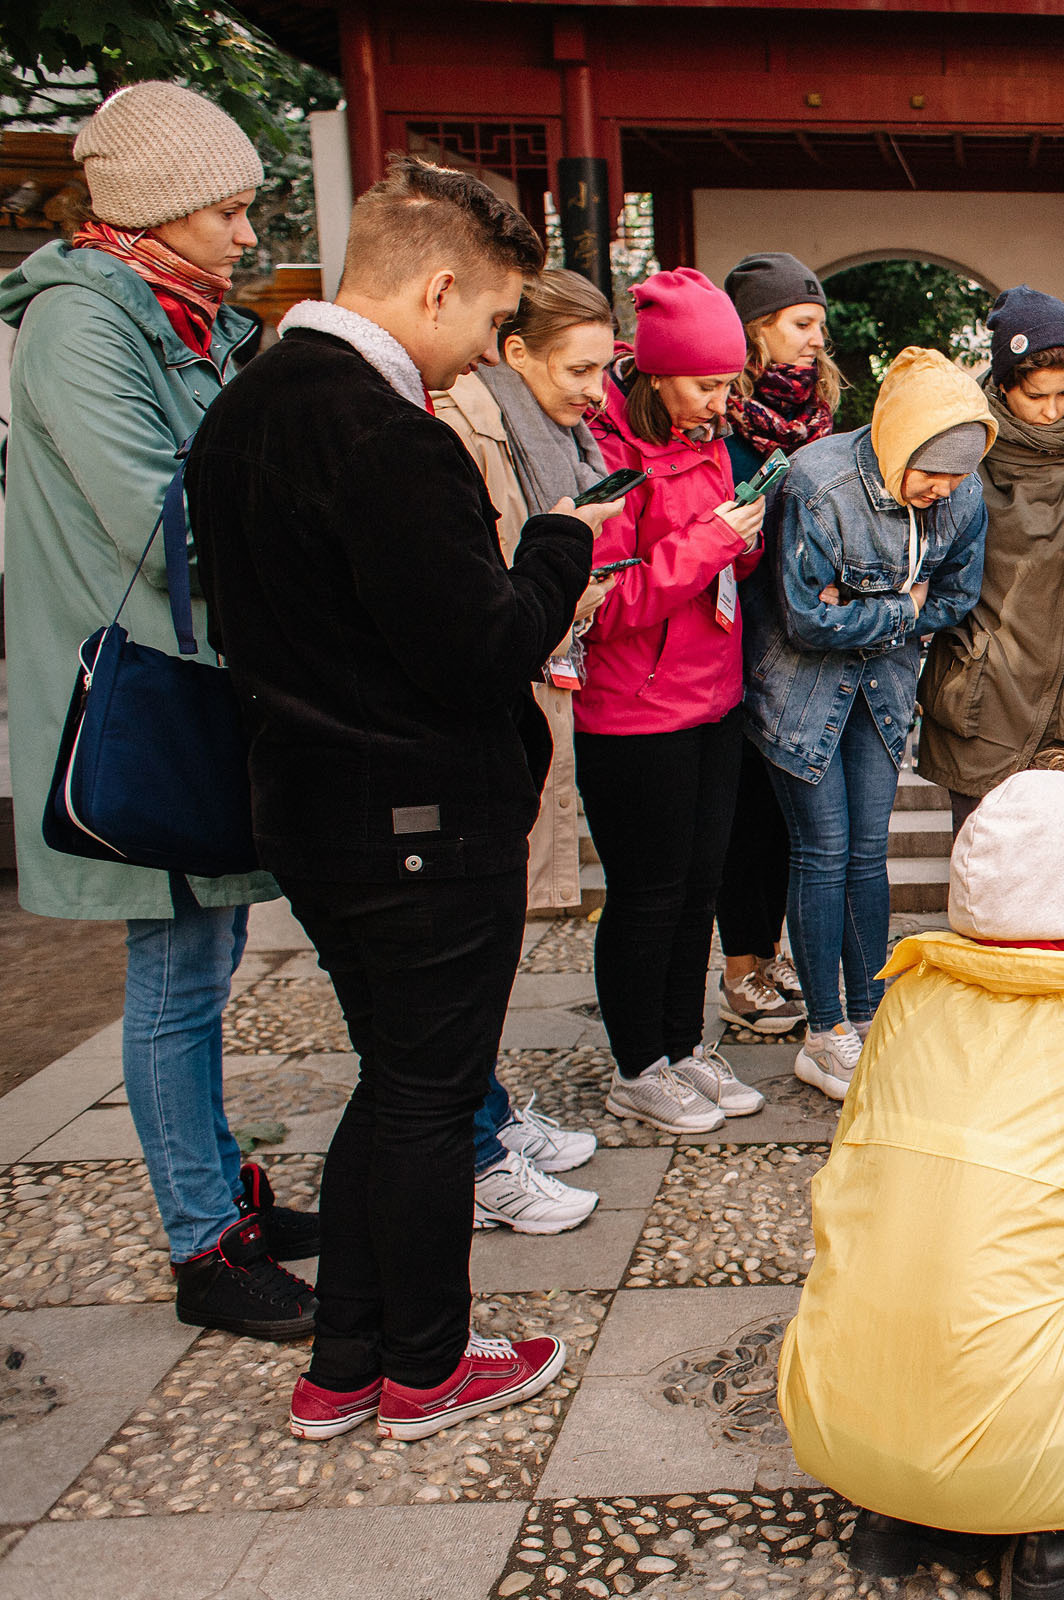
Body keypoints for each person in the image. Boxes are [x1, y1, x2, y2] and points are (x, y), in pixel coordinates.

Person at [188, 156, 608, 1440]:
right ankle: (426, 1365)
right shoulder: (386, 435)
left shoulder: (244, 409)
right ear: (436, 287)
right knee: (429, 1094)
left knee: (398, 1082)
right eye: (489, 325)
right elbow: (480, 649)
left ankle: (347, 1358)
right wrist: (558, 546)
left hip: (313, 811)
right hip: (423, 822)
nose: (487, 356)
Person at [0, 82, 312, 1340]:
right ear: (149, 210)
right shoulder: (83, 327)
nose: (247, 235)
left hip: (190, 674)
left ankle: (223, 1182)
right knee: (177, 971)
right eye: (227, 211)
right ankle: (203, 1240)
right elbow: (157, 509)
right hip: (138, 689)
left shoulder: (182, 319)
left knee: (205, 958)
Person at [778, 769, 1064, 1595]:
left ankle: (893, 1510)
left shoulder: (905, 1000)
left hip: (833, 1430)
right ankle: (1055, 1530)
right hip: (1025, 1466)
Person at [747, 347, 991, 1101]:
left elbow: (959, 594)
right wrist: (901, 607)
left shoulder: (963, 496)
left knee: (866, 854)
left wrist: (858, 610)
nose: (942, 490)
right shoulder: (817, 483)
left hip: (882, 691)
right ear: (897, 441)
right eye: (931, 474)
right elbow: (802, 621)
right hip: (800, 692)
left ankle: (868, 1015)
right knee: (820, 851)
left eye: (955, 477)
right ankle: (824, 1034)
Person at [432, 266, 621, 1234]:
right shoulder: (468, 430)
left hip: (535, 680)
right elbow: (484, 589)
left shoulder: (553, 432)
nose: (597, 391)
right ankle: (472, 1152)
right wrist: (563, 581)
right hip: (485, 703)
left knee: (490, 943)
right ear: (514, 351)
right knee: (462, 956)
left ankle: (490, 1114)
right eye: (581, 368)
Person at [579, 268, 771, 1135]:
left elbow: (720, 562)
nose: (721, 401)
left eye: (729, 382)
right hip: (631, 712)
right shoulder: (607, 454)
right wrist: (708, 545)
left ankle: (683, 1044)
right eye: (705, 384)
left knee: (699, 889)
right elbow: (603, 606)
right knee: (647, 894)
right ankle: (637, 1065)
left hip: (713, 698)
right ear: (655, 375)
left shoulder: (712, 440)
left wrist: (744, 540)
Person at [918, 286, 1064, 825]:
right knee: (982, 867)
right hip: (982, 680)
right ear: (1004, 383)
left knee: (1063, 861)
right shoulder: (969, 444)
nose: (1052, 410)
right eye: (1036, 396)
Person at [714, 251, 840, 1035]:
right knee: (745, 815)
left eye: (818, 325)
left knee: (793, 812)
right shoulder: (718, 417)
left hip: (801, 640)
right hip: (731, 632)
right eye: (800, 323)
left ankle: (776, 953)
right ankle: (741, 963)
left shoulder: (818, 417)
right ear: (756, 329)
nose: (814, 341)